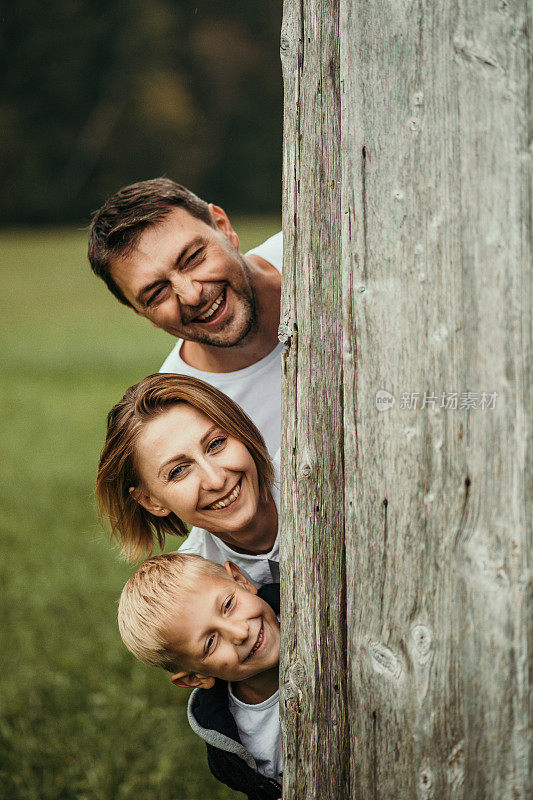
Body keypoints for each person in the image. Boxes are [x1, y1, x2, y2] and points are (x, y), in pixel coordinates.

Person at [88, 178, 283, 456]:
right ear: (141, 312)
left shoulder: (329, 249)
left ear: (223, 227)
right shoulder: (182, 415)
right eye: (157, 293)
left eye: (192, 258)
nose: (191, 296)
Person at [118, 552, 282, 800]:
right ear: (196, 678)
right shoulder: (232, 743)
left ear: (241, 580)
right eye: (210, 643)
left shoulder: (319, 607)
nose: (240, 632)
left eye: (228, 605)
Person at [96, 373, 279, 586]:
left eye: (216, 444)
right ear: (150, 501)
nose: (216, 480)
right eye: (178, 471)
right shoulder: (193, 588)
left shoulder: (318, 472)